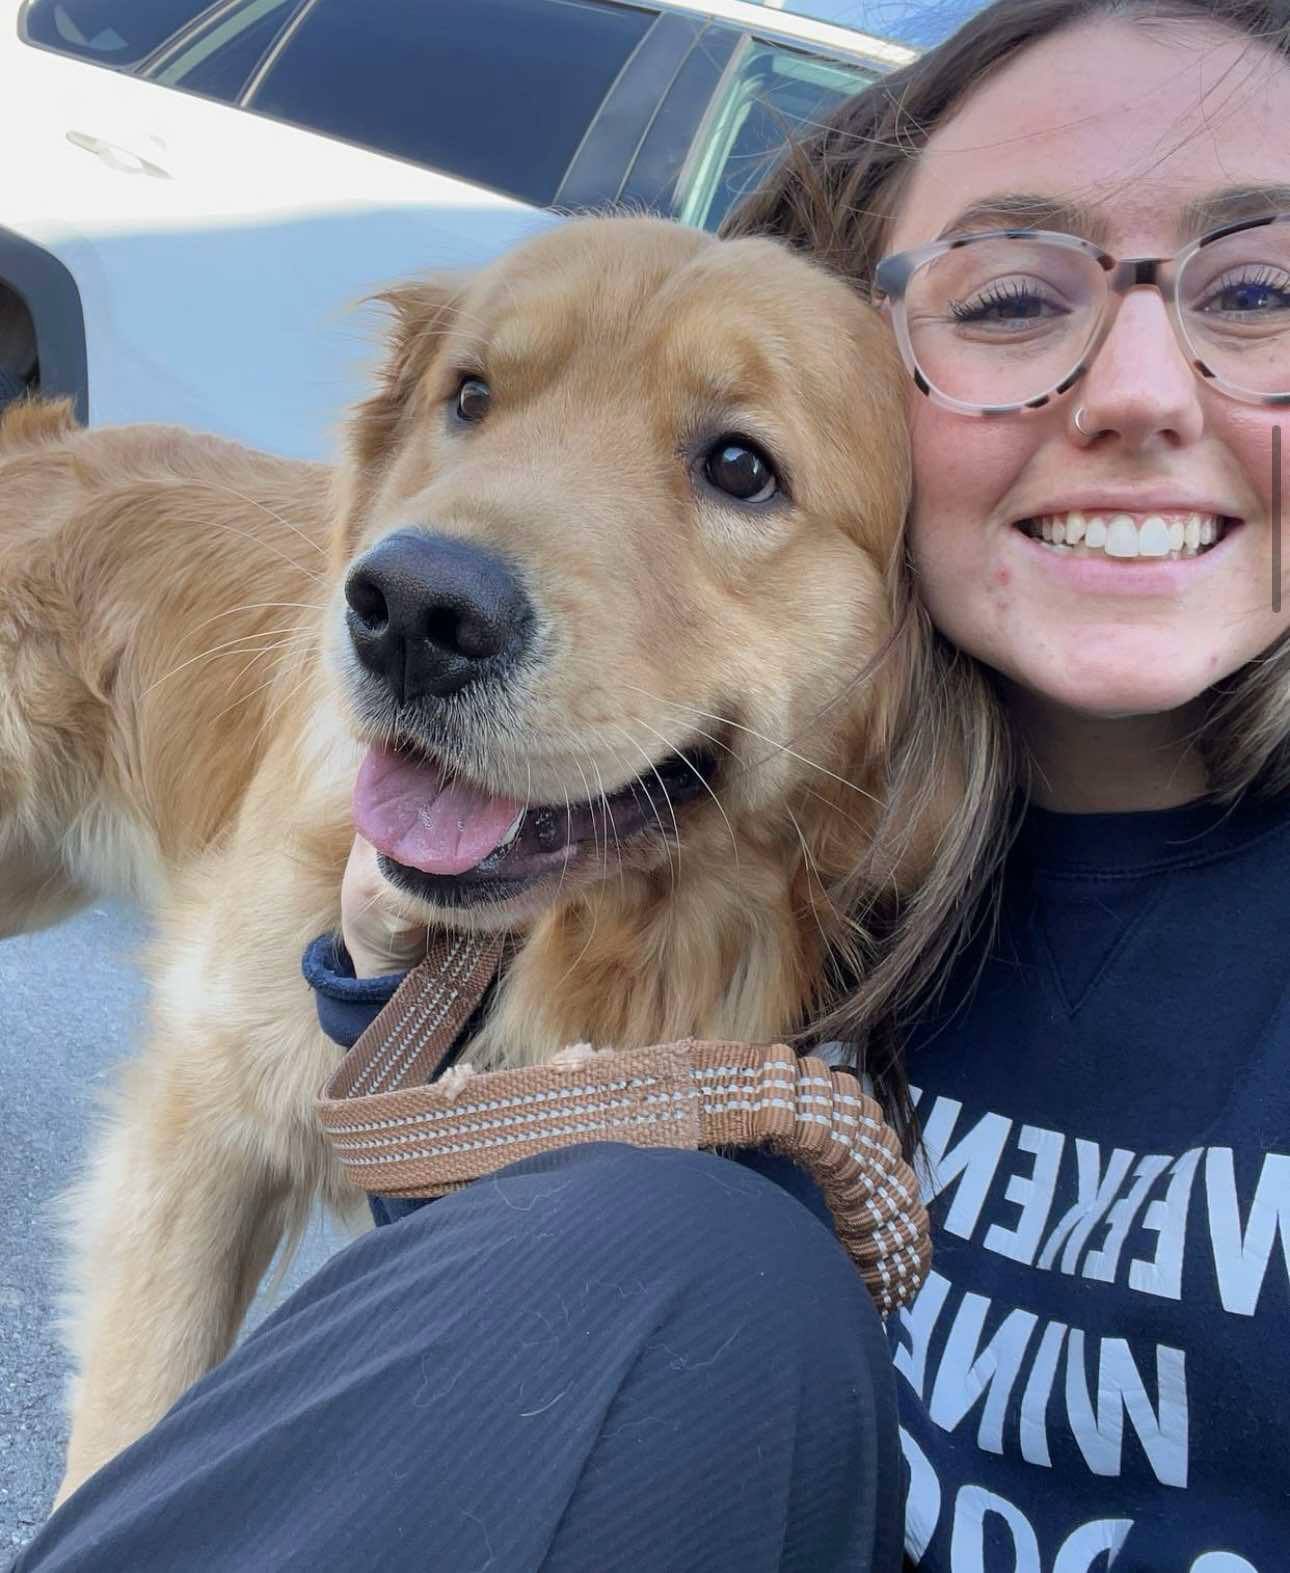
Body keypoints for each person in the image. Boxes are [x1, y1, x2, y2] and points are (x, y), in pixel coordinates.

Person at [15, 0, 1290, 1567]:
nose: (1133, 391)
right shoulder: (830, 869)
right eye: (1018, 298)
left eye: (1262, 290)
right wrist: (381, 1000)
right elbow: (544, 1311)